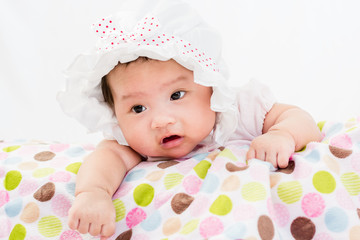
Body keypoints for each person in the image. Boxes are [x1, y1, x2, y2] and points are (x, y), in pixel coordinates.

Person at [57, 0, 321, 238]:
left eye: (177, 95)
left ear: (210, 84)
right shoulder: (132, 144)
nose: (161, 121)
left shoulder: (237, 110)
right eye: (138, 108)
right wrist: (93, 193)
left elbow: (298, 118)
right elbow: (106, 159)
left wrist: (281, 134)